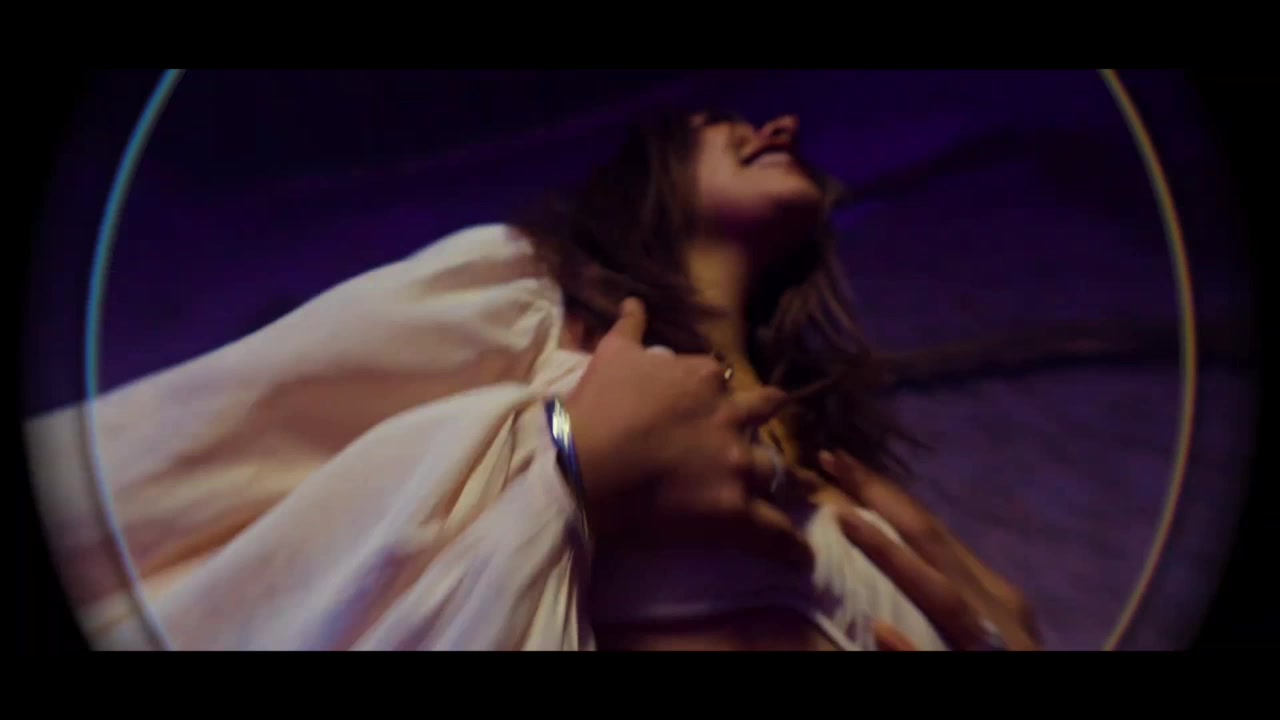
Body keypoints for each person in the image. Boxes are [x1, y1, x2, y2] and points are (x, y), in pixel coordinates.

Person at [24, 108, 1040, 651]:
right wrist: (570, 462)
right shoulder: (519, 300)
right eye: (712, 119)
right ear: (642, 177)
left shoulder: (845, 483)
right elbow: (200, 473)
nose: (784, 122)